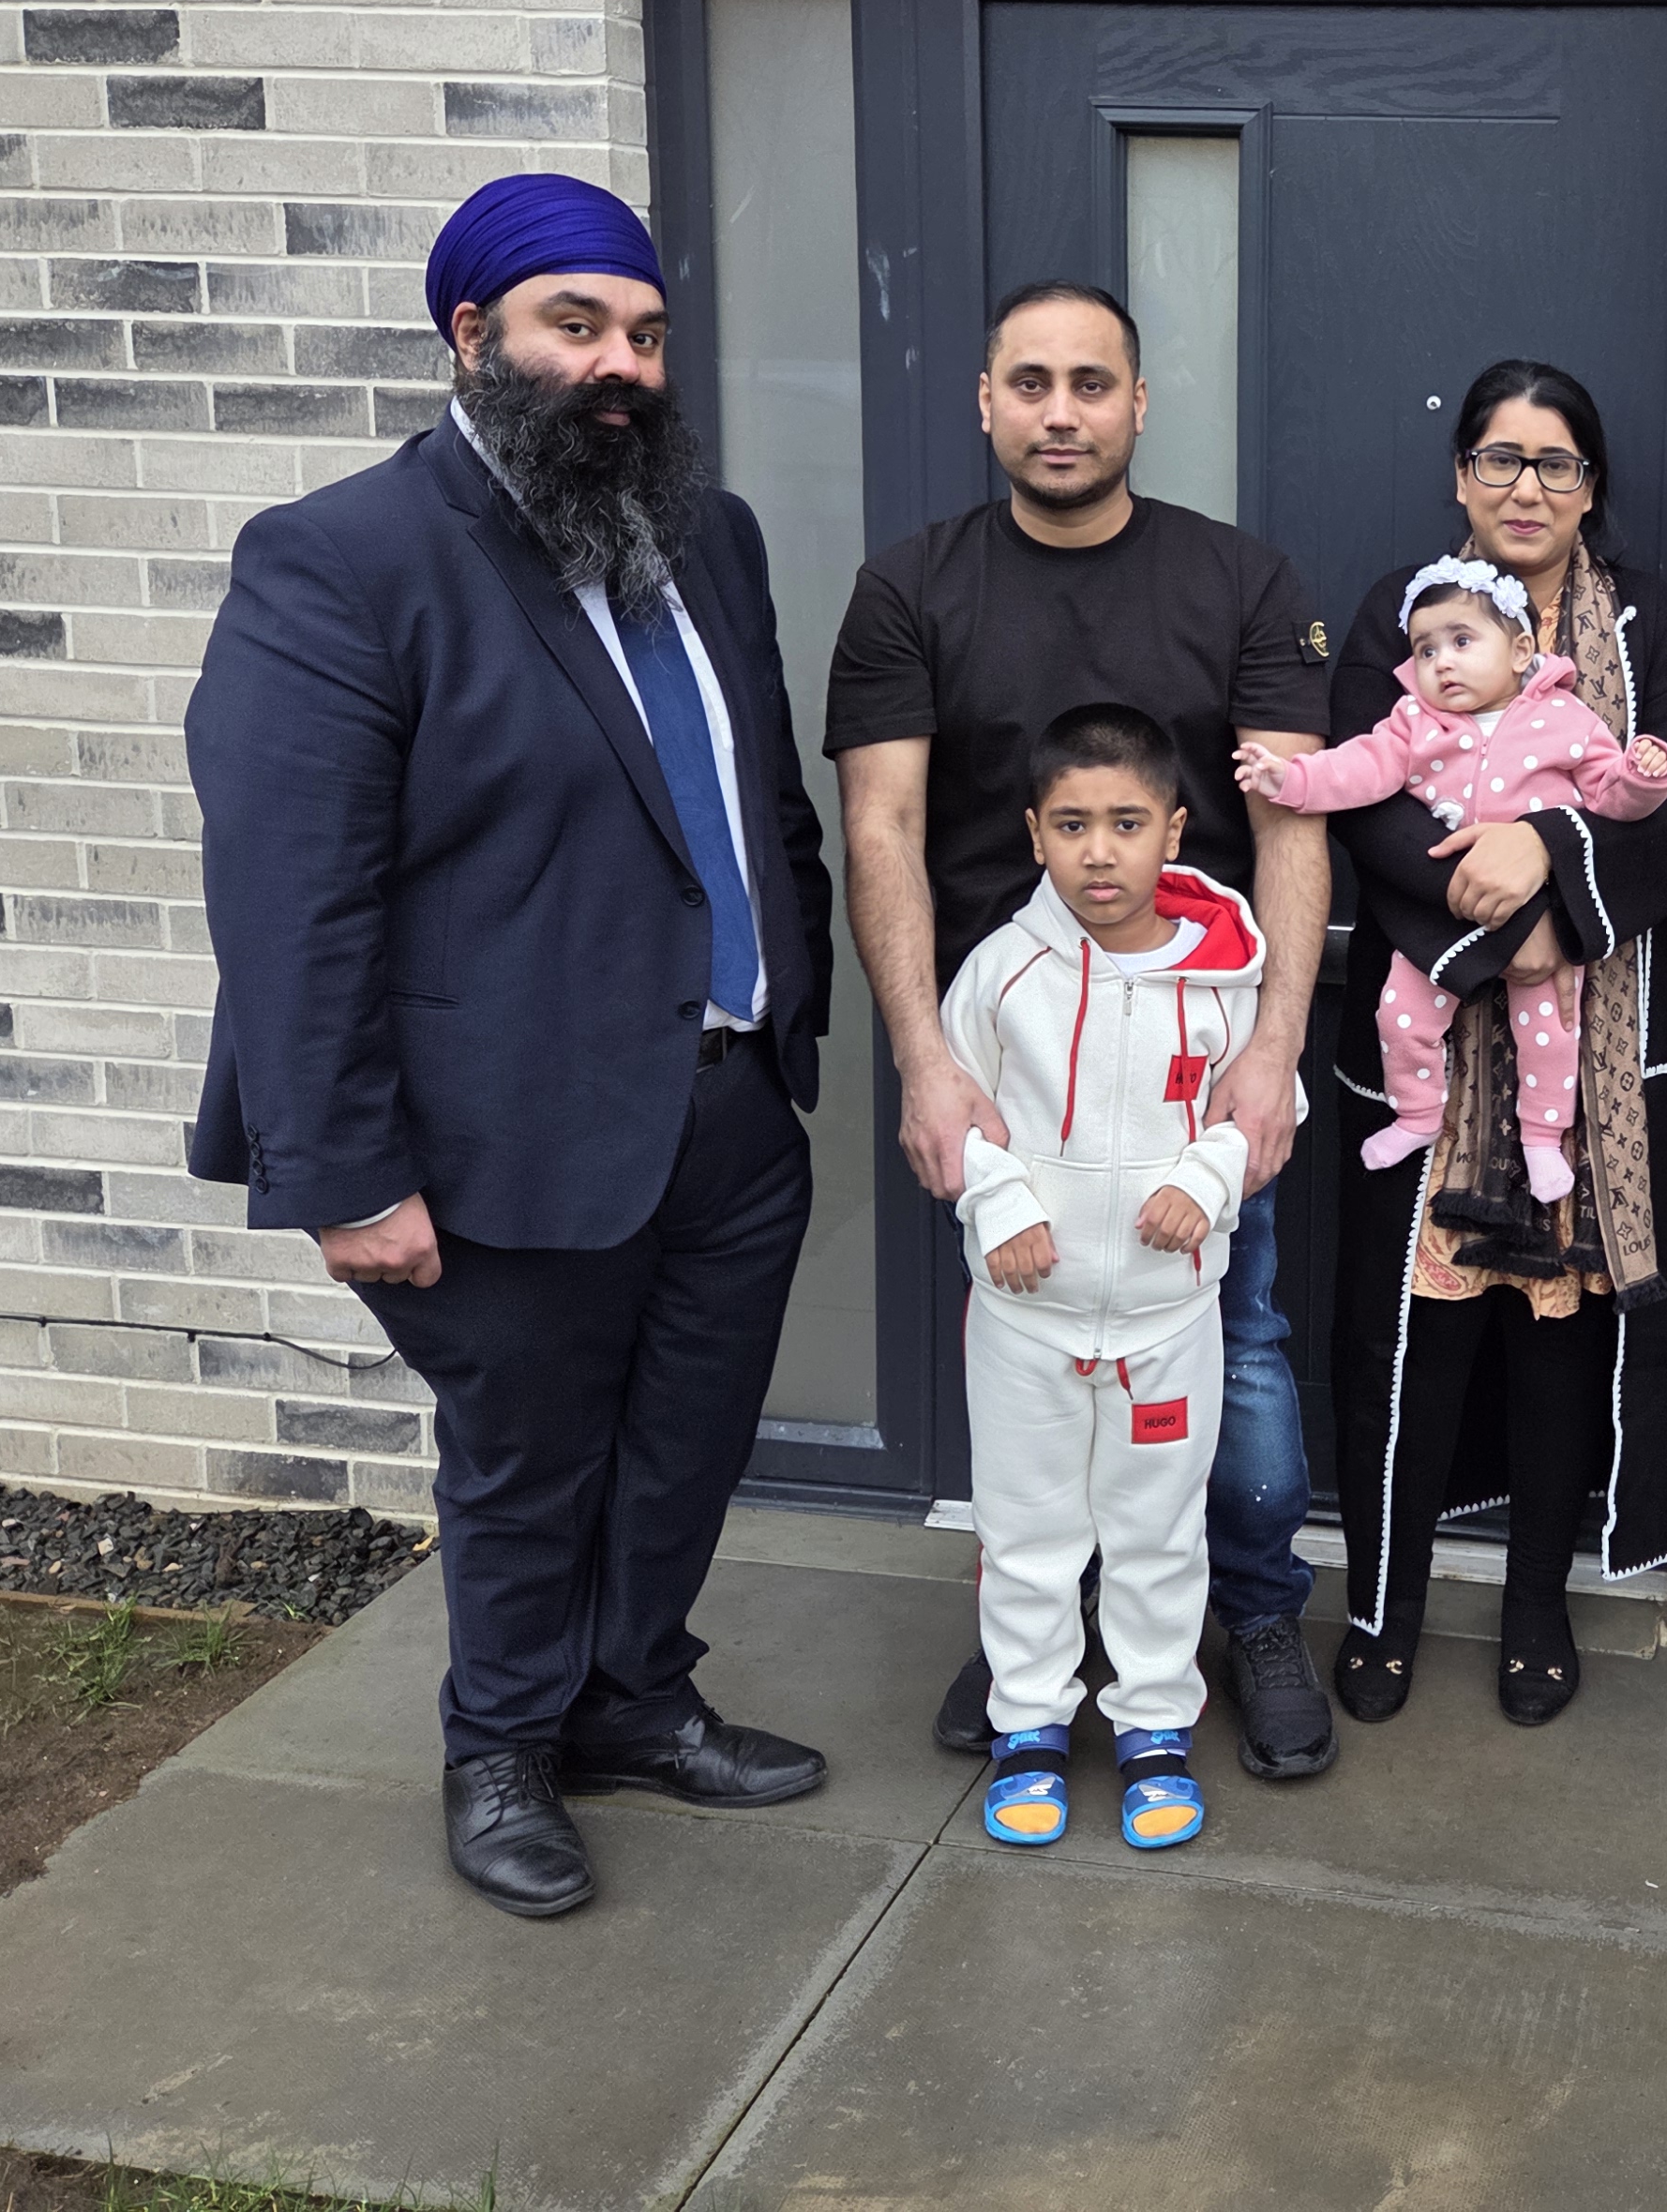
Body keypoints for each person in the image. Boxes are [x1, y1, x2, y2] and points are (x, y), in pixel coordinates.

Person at [185, 172, 838, 1919]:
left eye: (643, 331)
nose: (620, 364)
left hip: (726, 1106)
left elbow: (762, 799)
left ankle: (631, 1702)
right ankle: (500, 1747)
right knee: (530, 1461)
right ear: (472, 338)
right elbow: (290, 899)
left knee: (684, 1442)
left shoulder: (714, 537)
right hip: (494, 1139)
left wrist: (798, 1030)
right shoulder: (342, 560)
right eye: (577, 326)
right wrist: (342, 1169)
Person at [823, 281, 1339, 1782]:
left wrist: (1271, 1055)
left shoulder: (1239, 582)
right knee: (1030, 1376)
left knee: (1232, 1351)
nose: (1062, 412)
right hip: (1010, 1065)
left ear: (1138, 404)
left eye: (1092, 384)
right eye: (1031, 384)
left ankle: (1250, 1617)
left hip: (1193, 1059)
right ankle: (1033, 1659)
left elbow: (1290, 826)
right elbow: (884, 828)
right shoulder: (911, 587)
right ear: (984, 401)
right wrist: (926, 1065)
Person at [1325, 363, 1667, 1729]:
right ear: (1460, 476)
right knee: (1412, 1331)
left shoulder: (1646, 623)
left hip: (1592, 1031)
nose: (1527, 488)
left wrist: (1557, 878)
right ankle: (1383, 1603)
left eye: (1557, 464)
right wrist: (1488, 933)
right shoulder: (1409, 613)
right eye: (1500, 459)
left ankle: (1538, 1604)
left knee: (1558, 1322)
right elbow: (1365, 803)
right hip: (1426, 1029)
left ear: (1592, 489)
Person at [943, 706, 1275, 1854]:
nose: (1099, 851)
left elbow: (1263, 1110)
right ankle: (1028, 1723)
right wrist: (1005, 1204)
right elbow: (956, 1117)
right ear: (1034, 833)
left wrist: (1209, 1177)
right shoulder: (1001, 970)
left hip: (1166, 1316)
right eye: (1072, 824)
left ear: (1173, 831)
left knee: (1155, 1534)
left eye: (1127, 823)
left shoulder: (1229, 977)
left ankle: (1151, 1728)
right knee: (1027, 1529)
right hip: (1026, 1318)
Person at [1235, 553, 1667, 1200]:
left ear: (1521, 649)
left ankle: (1541, 1137)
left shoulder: (1565, 720)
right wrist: (1291, 780)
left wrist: (1645, 775)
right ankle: (1417, 1115)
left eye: (1462, 642)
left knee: (1550, 1031)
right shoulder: (1414, 724)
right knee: (1401, 1016)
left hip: (1540, 913)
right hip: (1445, 919)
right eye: (1424, 650)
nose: (1441, 662)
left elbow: (1611, 796)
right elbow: (1359, 771)